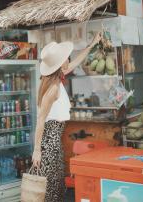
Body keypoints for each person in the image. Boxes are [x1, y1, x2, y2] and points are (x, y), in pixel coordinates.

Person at [32, 33, 101, 202]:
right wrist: (36, 150)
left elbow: (77, 61)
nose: (68, 59)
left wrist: (92, 44)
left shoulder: (56, 77)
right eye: (65, 58)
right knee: (50, 186)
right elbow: (41, 120)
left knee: (55, 184)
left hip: (54, 138)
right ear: (59, 63)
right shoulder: (53, 88)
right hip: (50, 140)